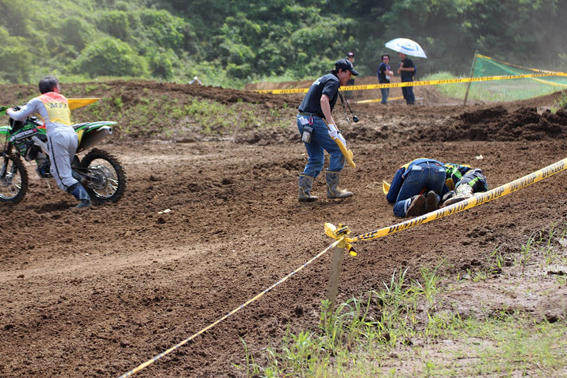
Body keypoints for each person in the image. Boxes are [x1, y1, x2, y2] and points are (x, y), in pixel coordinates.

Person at [6, 76, 91, 209]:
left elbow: (19, 116)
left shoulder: (38, 100)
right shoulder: (62, 98)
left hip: (57, 136)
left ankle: (84, 199)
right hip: (71, 134)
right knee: (62, 167)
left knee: (62, 176)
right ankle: (81, 179)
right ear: (54, 88)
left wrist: (9, 111)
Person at [296, 58, 359, 202]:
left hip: (303, 119)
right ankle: (333, 189)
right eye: (349, 74)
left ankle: (304, 192)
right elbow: (324, 100)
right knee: (338, 150)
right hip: (313, 121)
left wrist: (337, 130)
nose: (349, 78)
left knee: (316, 158)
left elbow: (323, 110)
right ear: (341, 71)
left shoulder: (326, 78)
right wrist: (331, 126)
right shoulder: (333, 81)